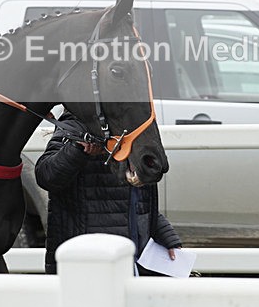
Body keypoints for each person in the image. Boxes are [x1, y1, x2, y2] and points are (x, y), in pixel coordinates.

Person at [35, 110, 182, 275]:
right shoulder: (74, 124)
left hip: (132, 259)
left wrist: (166, 236)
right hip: (88, 261)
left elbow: (139, 201)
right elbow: (46, 176)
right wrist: (77, 149)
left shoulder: (131, 131)